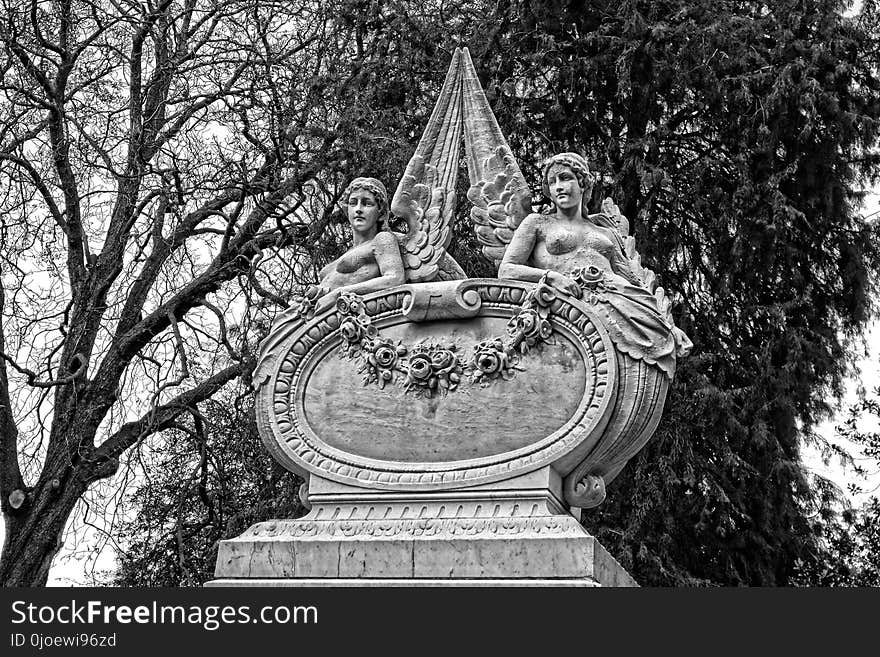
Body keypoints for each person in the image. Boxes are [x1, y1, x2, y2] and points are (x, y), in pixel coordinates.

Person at [499, 153, 679, 376]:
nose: (558, 187)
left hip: (621, 298)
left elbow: (632, 279)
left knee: (660, 338)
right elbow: (507, 270)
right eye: (552, 182)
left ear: (582, 182)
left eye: (565, 178)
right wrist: (550, 277)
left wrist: (666, 322)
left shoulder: (605, 233)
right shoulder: (537, 223)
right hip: (571, 303)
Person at [310, 177, 405, 313]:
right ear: (346, 210)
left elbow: (395, 279)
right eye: (353, 203)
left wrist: (340, 292)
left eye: (367, 203)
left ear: (381, 213)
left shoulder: (382, 239)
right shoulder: (349, 252)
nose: (358, 209)